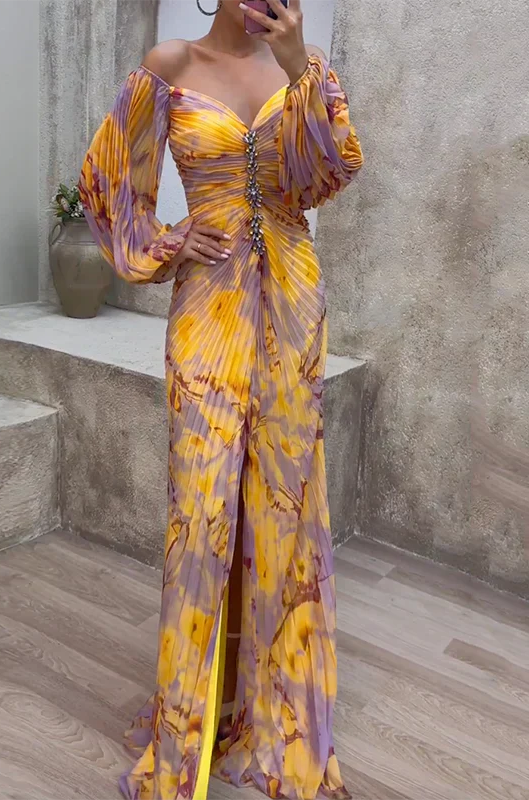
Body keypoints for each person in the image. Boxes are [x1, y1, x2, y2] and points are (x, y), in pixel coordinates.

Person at [79, 1, 363, 798]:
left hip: (293, 306)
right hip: (209, 308)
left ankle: (274, 720)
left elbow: (329, 176)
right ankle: (188, 732)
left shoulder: (297, 70)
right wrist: (168, 243)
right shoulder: (170, 65)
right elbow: (106, 182)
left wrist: (302, 66)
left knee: (284, 507)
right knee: (201, 511)